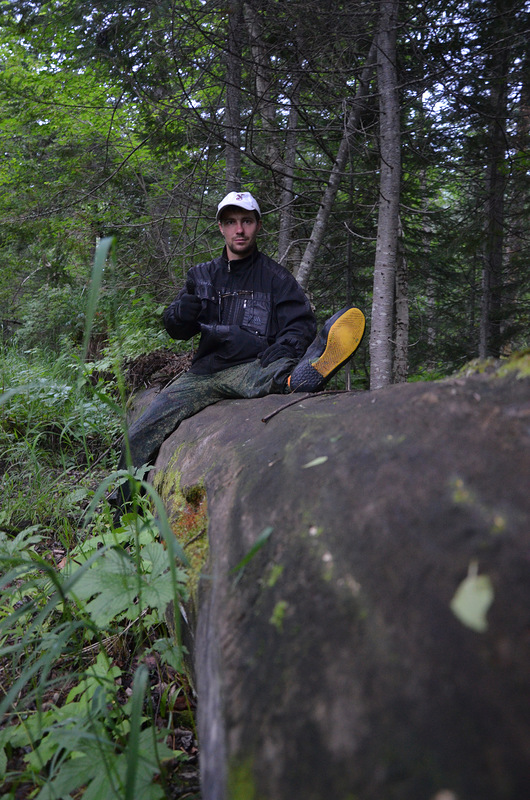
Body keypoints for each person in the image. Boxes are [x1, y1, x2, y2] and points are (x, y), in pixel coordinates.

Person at [110, 191, 365, 511]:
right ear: (221, 227)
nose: (239, 230)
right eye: (231, 222)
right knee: (141, 430)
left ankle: (304, 373)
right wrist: (180, 313)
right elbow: (176, 330)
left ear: (258, 225)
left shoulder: (277, 278)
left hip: (254, 365)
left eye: (246, 221)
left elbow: (299, 323)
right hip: (205, 372)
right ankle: (122, 507)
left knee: (278, 373)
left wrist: (289, 344)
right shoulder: (201, 276)